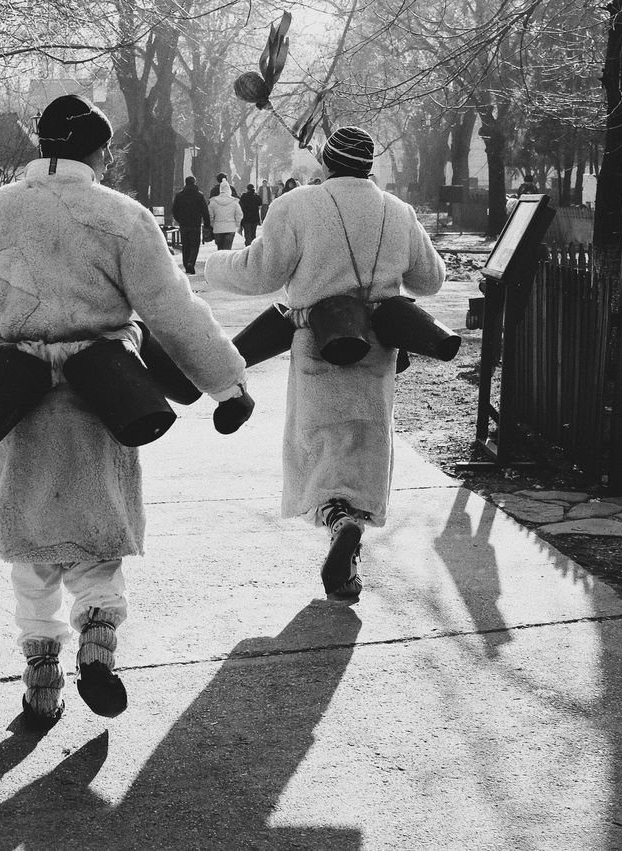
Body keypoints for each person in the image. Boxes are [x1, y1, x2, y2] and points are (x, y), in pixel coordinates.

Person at [0, 94, 251, 729]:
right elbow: (174, 311)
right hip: (104, 400)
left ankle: (40, 683)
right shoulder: (122, 217)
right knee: (97, 536)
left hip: (12, 399)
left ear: (40, 148)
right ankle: (97, 645)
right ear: (100, 152)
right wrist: (228, 385)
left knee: (31, 544)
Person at [204, 126, 445, 601]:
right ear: (370, 165)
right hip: (378, 350)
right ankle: (353, 529)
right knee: (365, 441)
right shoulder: (398, 212)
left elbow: (260, 273)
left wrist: (214, 265)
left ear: (327, 164)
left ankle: (337, 520)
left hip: (316, 342)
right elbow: (431, 279)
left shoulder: (296, 206)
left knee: (319, 445)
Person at [171, 176, 211, 275]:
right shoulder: (199, 195)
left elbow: (174, 210)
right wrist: (207, 225)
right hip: (195, 224)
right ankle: (191, 262)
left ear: (186, 183)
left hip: (184, 224)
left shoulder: (179, 195)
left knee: (185, 245)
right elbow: (205, 211)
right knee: (194, 245)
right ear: (194, 183)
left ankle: (186, 265)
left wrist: (179, 220)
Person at [208, 179, 243, 249]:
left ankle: (220, 260)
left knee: (220, 250)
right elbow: (239, 214)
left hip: (218, 228)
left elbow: (210, 215)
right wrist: (237, 224)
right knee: (227, 250)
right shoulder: (234, 202)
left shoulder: (213, 201)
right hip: (230, 228)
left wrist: (212, 224)